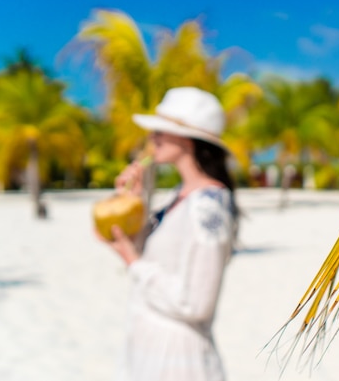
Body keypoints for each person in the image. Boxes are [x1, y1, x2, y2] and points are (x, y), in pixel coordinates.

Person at [100, 87, 238, 381]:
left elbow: (196, 302)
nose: (152, 138)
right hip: (152, 353)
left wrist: (134, 263)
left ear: (188, 139)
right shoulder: (181, 197)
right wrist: (131, 204)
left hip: (178, 361)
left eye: (160, 131)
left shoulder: (208, 207)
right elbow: (157, 256)